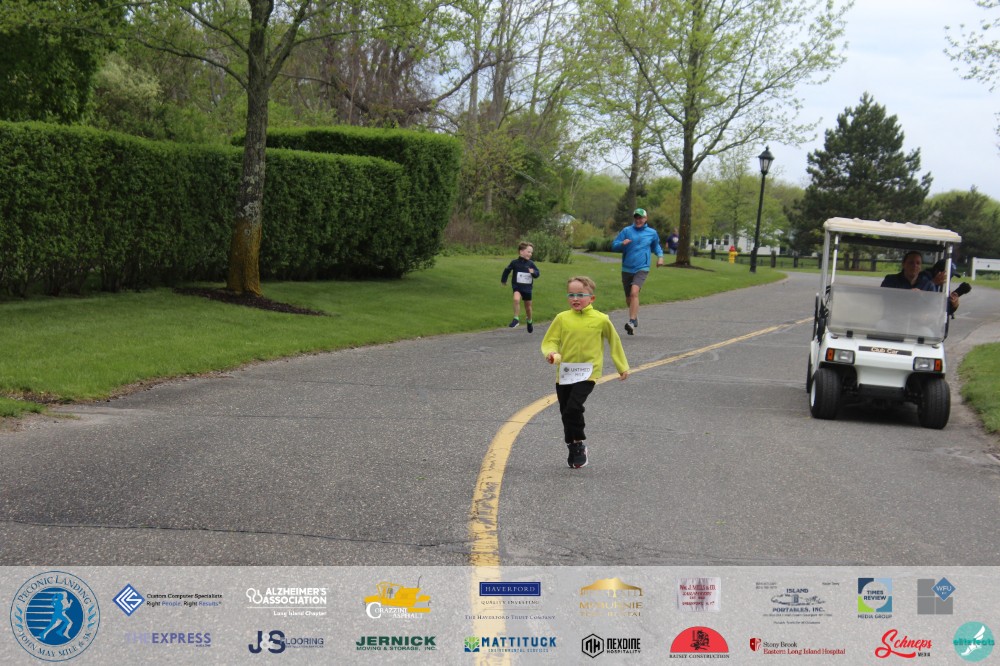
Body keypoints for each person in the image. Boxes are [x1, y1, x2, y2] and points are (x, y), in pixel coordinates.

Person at [540, 276, 629, 469]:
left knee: (573, 407)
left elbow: (614, 342)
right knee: (565, 412)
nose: (575, 298)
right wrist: (551, 353)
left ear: (592, 298)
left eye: (580, 295)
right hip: (565, 372)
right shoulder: (562, 318)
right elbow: (550, 340)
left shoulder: (601, 319)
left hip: (588, 372)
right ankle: (573, 446)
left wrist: (621, 366)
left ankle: (579, 443)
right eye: (571, 295)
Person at [611, 208, 664, 335]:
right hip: (627, 268)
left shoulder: (652, 233)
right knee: (628, 298)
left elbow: (656, 246)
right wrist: (622, 244)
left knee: (634, 292)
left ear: (646, 219)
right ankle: (634, 317)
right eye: (636, 217)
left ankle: (631, 322)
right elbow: (614, 245)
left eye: (641, 218)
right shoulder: (626, 231)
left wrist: (660, 257)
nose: (638, 220)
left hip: (642, 267)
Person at [880, 250, 960, 313]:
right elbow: (886, 300)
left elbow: (934, 309)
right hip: (894, 319)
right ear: (903, 264)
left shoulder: (928, 285)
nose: (915, 266)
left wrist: (953, 305)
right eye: (911, 263)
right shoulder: (890, 280)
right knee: (882, 325)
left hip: (918, 322)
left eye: (918, 263)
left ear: (920, 267)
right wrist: (907, 294)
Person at [500, 241, 540, 333]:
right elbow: (507, 270)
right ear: (521, 252)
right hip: (517, 287)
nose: (530, 254)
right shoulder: (514, 263)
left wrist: (533, 272)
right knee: (516, 299)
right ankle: (516, 319)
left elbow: (537, 274)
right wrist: (503, 280)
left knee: (528, 308)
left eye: (531, 252)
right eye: (528, 252)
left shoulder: (531, 264)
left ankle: (529, 321)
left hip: (527, 289)